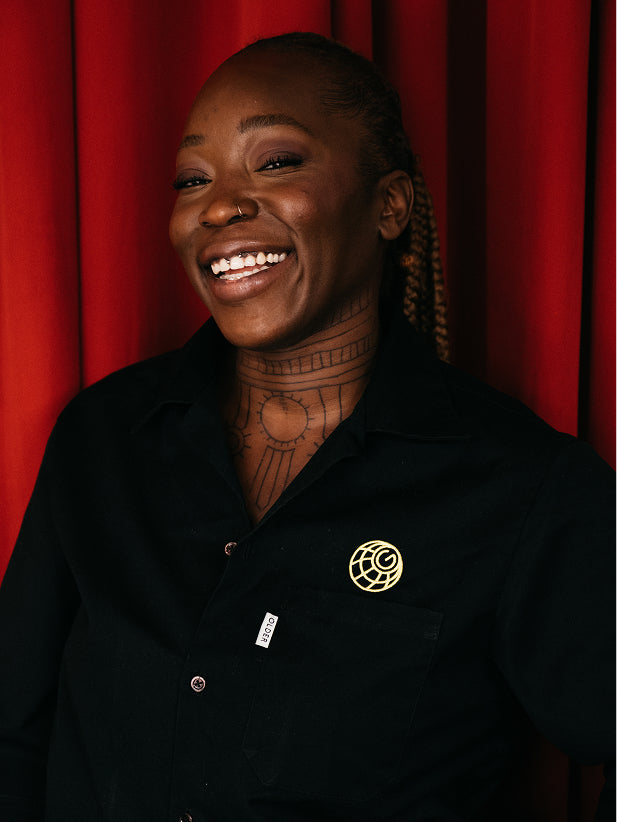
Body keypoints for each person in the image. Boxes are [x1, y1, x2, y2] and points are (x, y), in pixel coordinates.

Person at [0, 31, 613, 822]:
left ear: (388, 206)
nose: (218, 205)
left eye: (277, 162)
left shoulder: (523, 487)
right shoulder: (103, 438)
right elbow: (13, 730)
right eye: (192, 179)